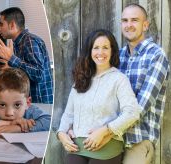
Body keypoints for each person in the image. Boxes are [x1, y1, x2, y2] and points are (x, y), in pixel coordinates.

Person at [57, 29, 141, 164]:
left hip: (106, 146)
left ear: (112, 51)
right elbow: (68, 114)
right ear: (89, 51)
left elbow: (132, 112)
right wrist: (61, 134)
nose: (100, 52)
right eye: (96, 48)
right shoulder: (81, 79)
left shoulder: (119, 79)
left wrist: (105, 131)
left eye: (105, 48)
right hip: (77, 147)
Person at [118, 4, 169, 164]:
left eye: (134, 20)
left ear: (145, 25)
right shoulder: (117, 55)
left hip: (138, 139)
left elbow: (140, 107)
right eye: (125, 20)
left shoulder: (156, 56)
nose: (129, 25)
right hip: (113, 140)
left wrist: (107, 130)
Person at [0, 7, 53, 104]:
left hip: (40, 103)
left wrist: (12, 58)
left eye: (1, 24)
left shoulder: (29, 41)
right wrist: (9, 68)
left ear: (12, 25)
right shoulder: (18, 43)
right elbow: (25, 72)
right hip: (30, 103)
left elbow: (38, 74)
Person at [0, 68, 51, 135]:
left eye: (17, 105)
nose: (9, 113)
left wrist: (18, 128)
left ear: (27, 103)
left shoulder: (30, 111)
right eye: (2, 105)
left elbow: (50, 122)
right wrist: (9, 124)